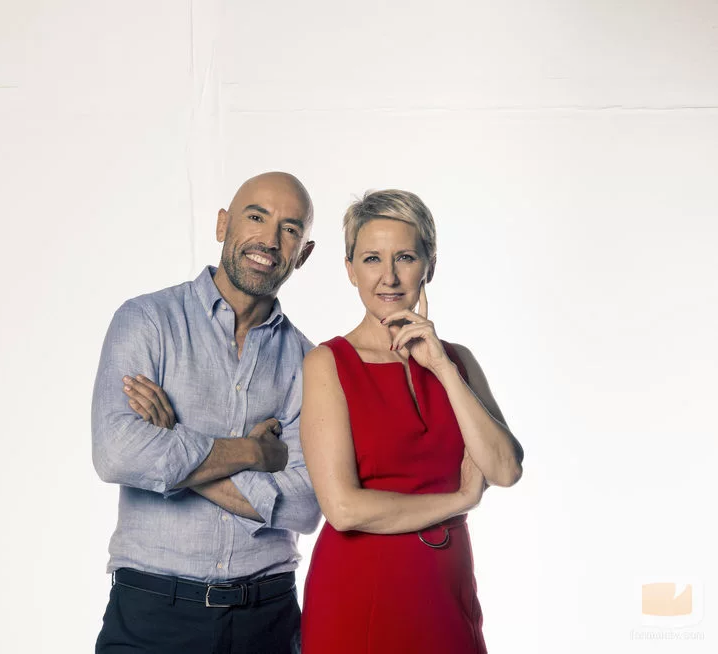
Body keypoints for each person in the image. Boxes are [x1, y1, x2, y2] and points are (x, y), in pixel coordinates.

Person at [91, 172, 323, 654]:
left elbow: (304, 506)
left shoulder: (310, 362)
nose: (269, 240)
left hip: (268, 621)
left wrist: (172, 441)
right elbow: (117, 455)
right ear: (222, 225)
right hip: (153, 615)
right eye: (256, 217)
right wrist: (252, 454)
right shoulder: (148, 320)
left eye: (289, 229)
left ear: (303, 253)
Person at [299, 189, 524, 653]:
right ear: (350, 270)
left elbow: (505, 469)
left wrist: (441, 366)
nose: (389, 276)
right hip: (360, 588)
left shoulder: (458, 361)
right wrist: (460, 499)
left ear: (429, 265)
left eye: (405, 257)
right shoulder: (329, 363)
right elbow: (343, 509)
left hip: (446, 587)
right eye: (371, 259)